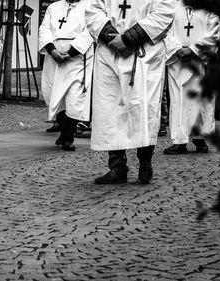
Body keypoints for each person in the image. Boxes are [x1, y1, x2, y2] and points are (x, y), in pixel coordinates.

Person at [86, 0, 175, 184]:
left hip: (145, 54)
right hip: (109, 54)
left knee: (143, 108)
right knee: (110, 110)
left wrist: (128, 39)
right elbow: (92, 10)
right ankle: (117, 168)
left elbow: (165, 12)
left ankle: (145, 161)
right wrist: (112, 37)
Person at [163, 2, 220, 155]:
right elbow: (165, 29)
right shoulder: (173, 5)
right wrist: (177, 49)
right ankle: (179, 141)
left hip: (199, 63)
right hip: (177, 62)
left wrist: (194, 49)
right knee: (177, 101)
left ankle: (199, 138)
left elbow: (214, 33)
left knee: (200, 100)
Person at [39, 0, 94, 151]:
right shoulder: (54, 7)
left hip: (77, 59)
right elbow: (44, 29)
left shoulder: (90, 6)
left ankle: (68, 137)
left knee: (75, 98)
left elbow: (90, 31)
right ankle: (64, 130)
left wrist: (71, 53)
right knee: (52, 96)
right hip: (54, 58)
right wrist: (52, 50)